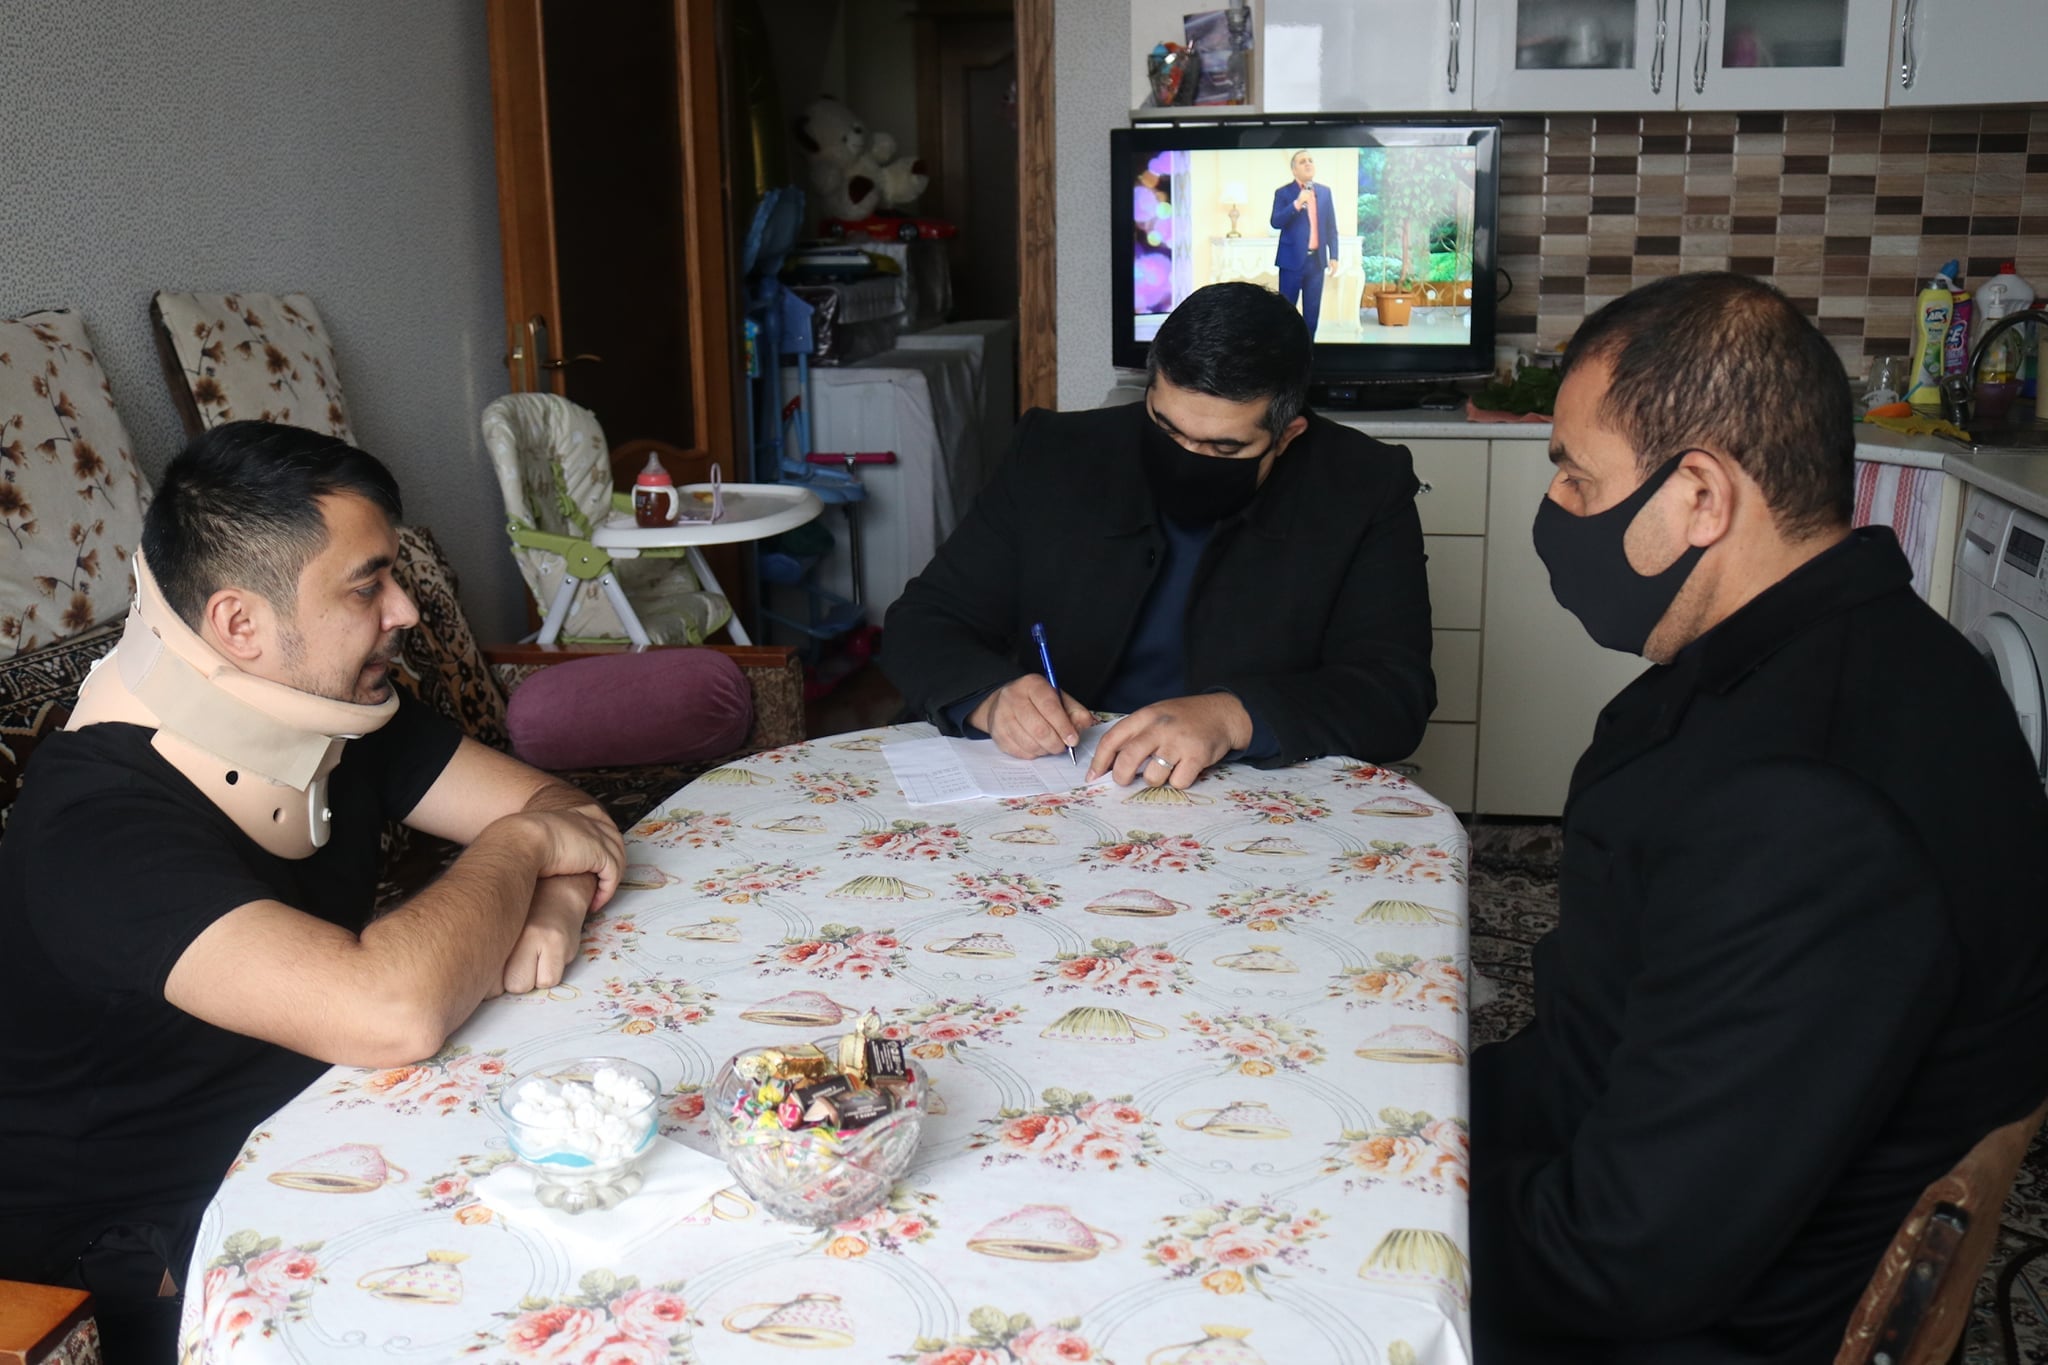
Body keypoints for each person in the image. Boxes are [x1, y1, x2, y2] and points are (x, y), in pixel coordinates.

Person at [1470, 272, 2048, 1362]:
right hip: (1632, 1163)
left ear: (1700, 494)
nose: (1556, 506)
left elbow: (1616, 1259)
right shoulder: (1861, 651)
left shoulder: (1805, 809)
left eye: (1576, 476)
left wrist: (1368, 1194)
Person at [0, 422, 626, 1362]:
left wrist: (554, 900)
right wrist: (527, 847)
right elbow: (390, 1007)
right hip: (126, 1259)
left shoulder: (342, 709)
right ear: (239, 626)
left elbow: (567, 807)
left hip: (310, 1129)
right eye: (368, 585)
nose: (405, 609)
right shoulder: (96, 825)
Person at [881, 281, 1433, 787]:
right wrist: (991, 697)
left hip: (1243, 787)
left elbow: (1394, 692)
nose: (1187, 457)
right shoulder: (1054, 453)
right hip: (1062, 772)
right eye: (1166, 429)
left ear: (1287, 435)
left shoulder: (1363, 485)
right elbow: (925, 620)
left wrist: (1232, 716)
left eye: (1224, 448)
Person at [1269, 150, 1338, 338]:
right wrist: (1297, 203)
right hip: (1291, 262)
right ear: (1294, 170)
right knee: (1286, 313)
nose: (1308, 163)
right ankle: (1286, 351)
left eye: (1310, 160)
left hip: (1316, 263)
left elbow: (1331, 227)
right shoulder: (1283, 193)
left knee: (1312, 315)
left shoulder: (1324, 193)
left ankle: (1308, 350)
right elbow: (1275, 222)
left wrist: (1334, 255)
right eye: (1302, 161)